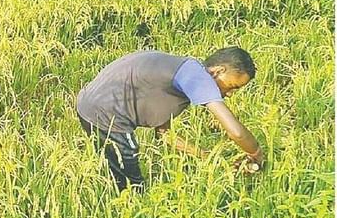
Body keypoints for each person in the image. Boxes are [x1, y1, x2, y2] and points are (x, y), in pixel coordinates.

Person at [75, 47, 264, 192]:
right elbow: (236, 132)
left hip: (89, 106)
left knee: (120, 176)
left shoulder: (181, 75)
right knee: (133, 186)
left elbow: (164, 135)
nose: (229, 94)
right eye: (232, 86)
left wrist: (212, 158)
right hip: (106, 114)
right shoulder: (196, 76)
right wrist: (256, 153)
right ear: (218, 71)